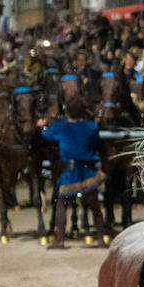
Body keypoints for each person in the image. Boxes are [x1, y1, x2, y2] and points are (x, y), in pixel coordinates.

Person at [40, 99, 105, 249]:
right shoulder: (91, 127)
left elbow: (46, 135)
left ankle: (60, 240)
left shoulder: (60, 127)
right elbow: (95, 140)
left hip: (70, 172)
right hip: (89, 172)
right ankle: (101, 239)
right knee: (94, 206)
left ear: (66, 111)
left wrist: (42, 126)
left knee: (62, 205)